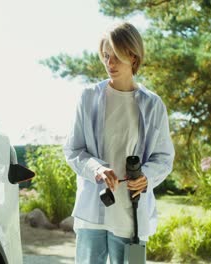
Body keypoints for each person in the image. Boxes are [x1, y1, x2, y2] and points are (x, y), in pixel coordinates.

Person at [63, 22, 175, 264]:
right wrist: (97, 169)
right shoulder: (88, 97)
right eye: (105, 56)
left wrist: (146, 176)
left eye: (116, 56)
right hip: (92, 209)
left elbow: (164, 157)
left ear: (133, 56)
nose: (109, 63)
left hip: (130, 214)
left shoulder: (153, 105)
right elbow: (73, 149)